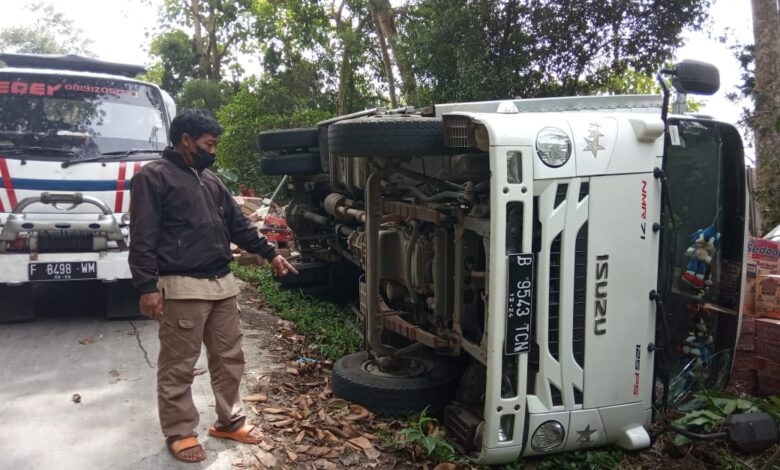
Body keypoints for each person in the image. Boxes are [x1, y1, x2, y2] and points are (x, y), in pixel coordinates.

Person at [128, 109, 298, 463]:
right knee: (179, 364)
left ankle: (229, 419)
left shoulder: (212, 179)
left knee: (229, 358)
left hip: (222, 284)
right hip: (183, 285)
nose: (213, 151)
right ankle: (180, 431)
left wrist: (270, 254)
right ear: (186, 139)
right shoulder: (153, 177)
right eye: (209, 144)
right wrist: (146, 286)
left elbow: (238, 225)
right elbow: (143, 236)